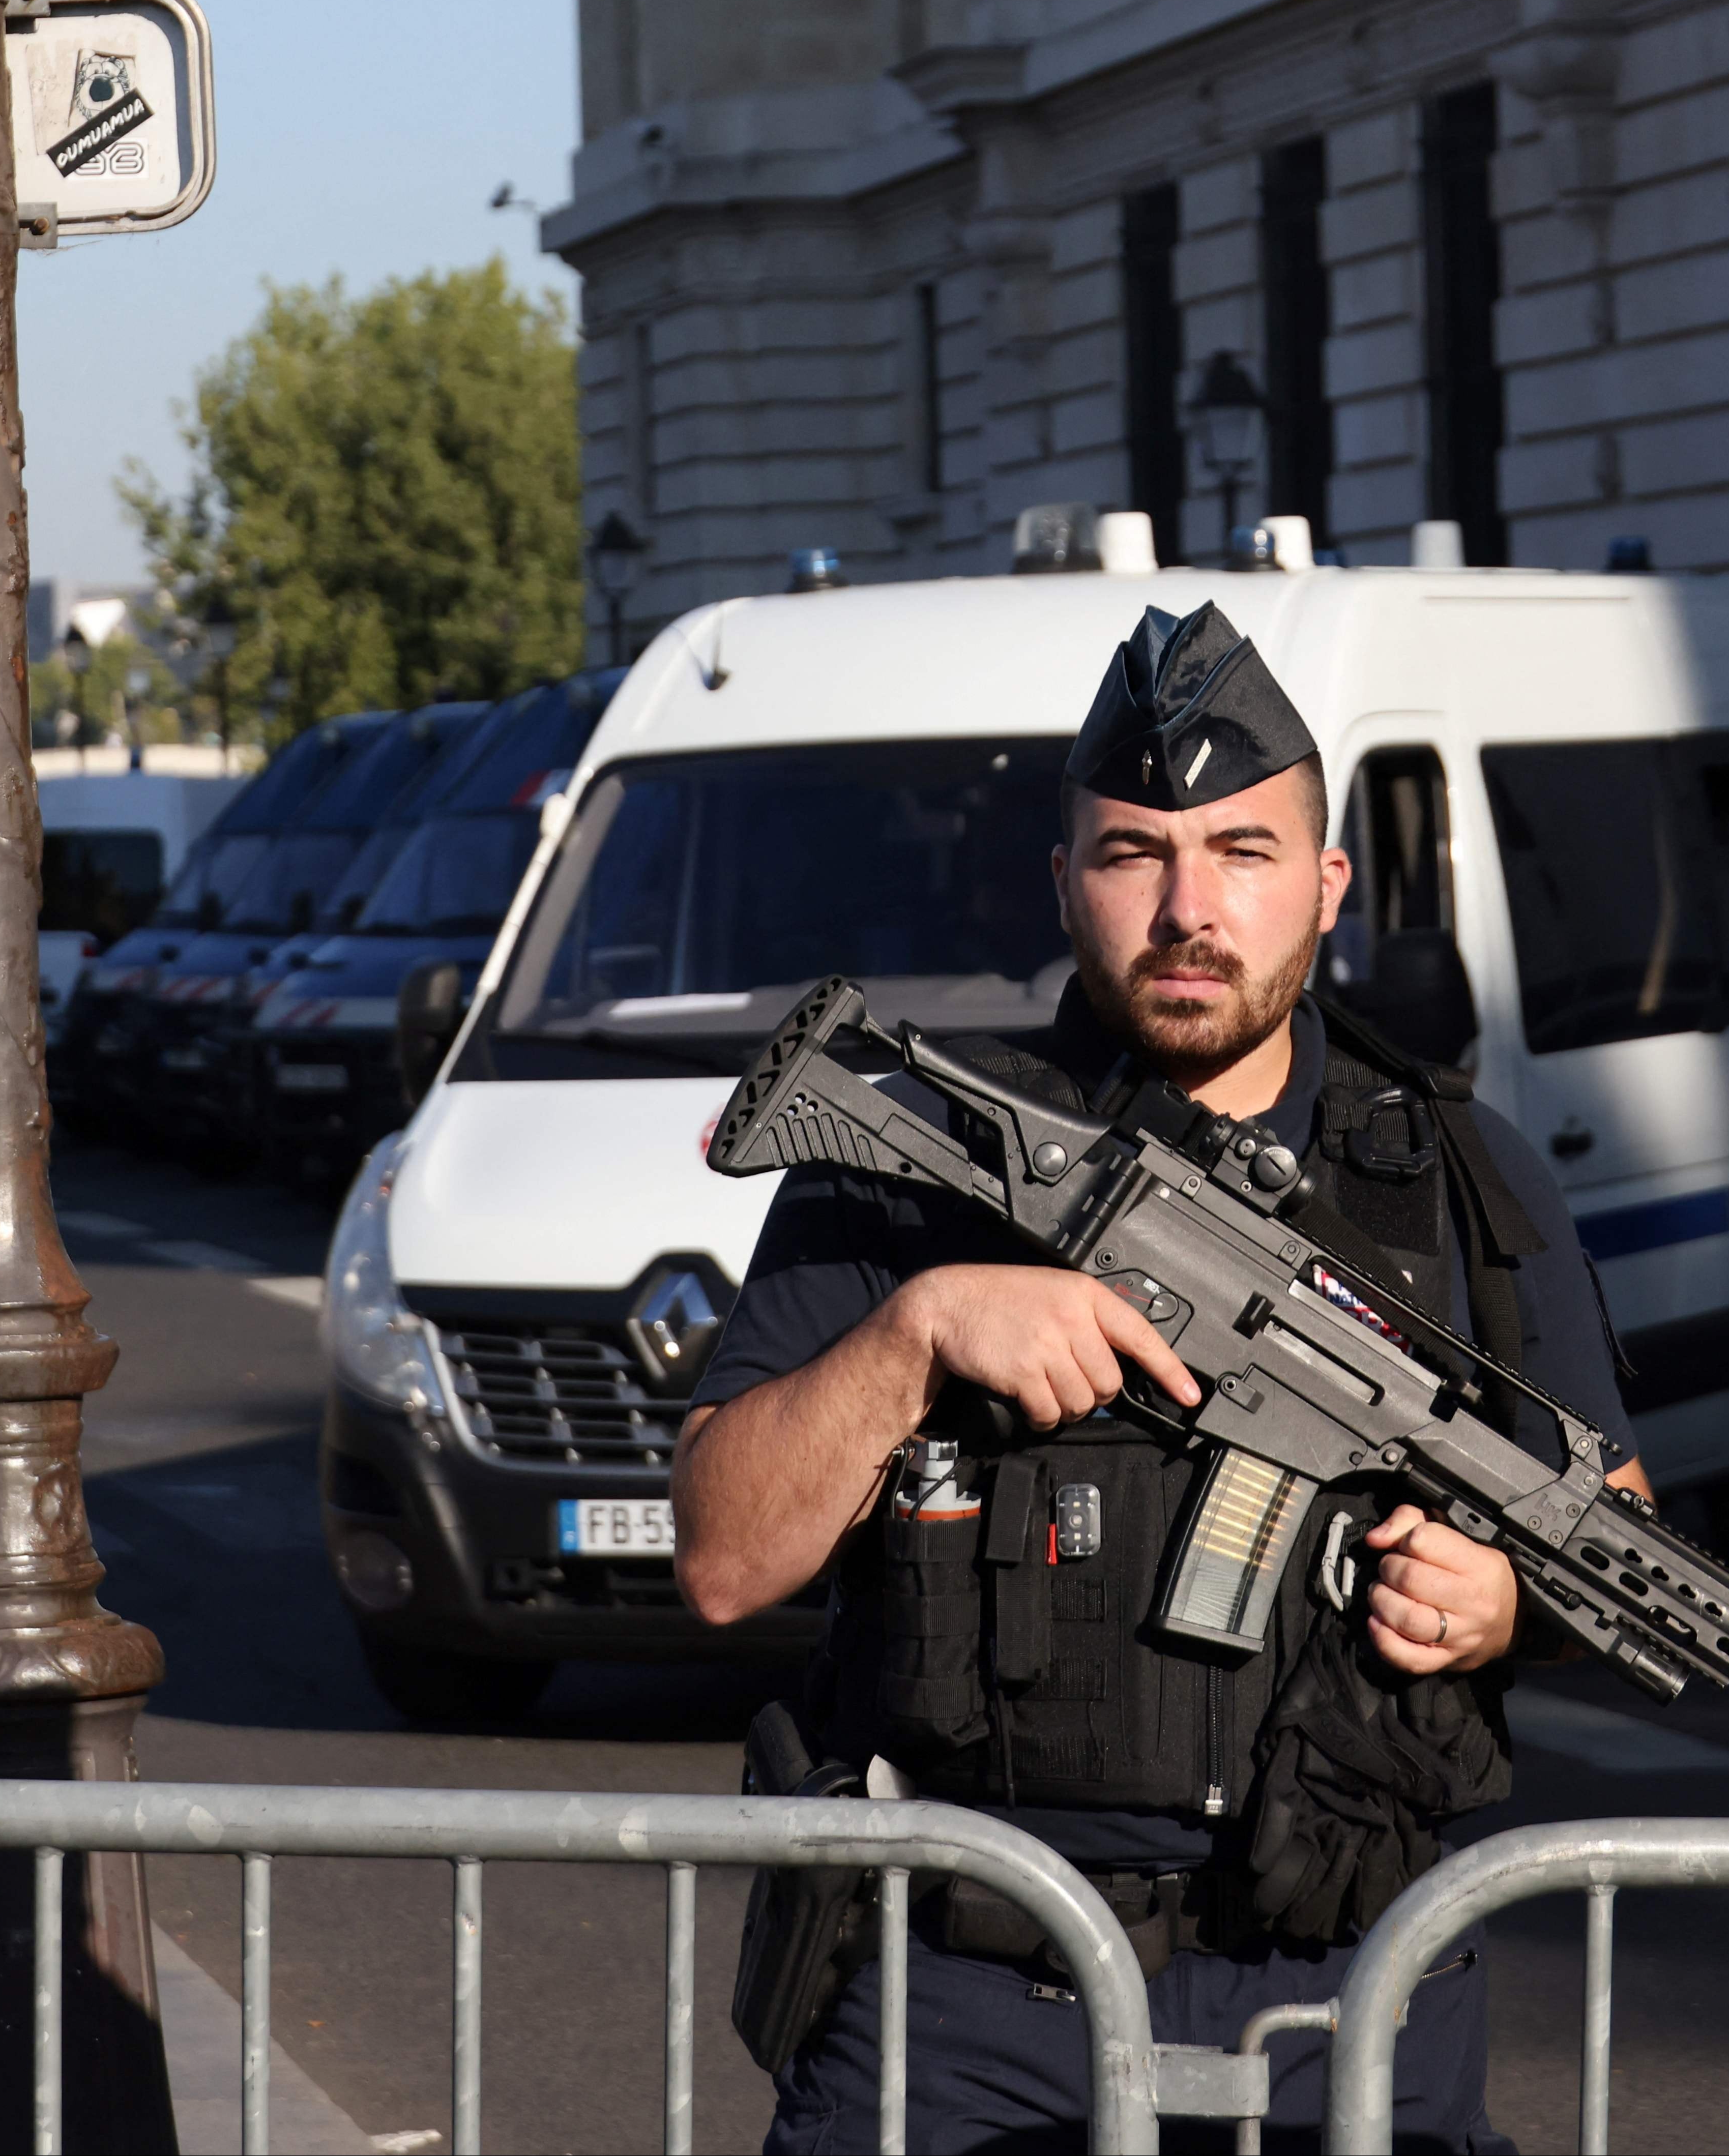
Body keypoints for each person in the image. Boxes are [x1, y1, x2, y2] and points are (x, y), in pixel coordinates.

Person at [673, 602, 1651, 2154]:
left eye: (1244, 855)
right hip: (969, 2008)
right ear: (1064, 882)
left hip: (1358, 2009)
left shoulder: (1467, 1179)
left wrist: (1501, 1601)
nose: (1188, 908)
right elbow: (724, 1558)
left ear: (1325, 887)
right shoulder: (919, 1171)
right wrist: (914, 1333)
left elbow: (1608, 1515)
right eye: (1135, 853)